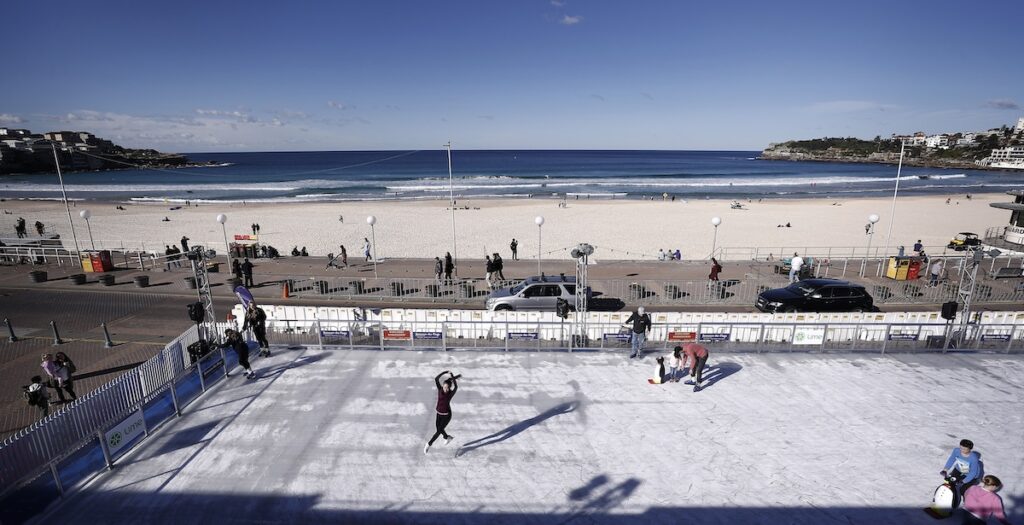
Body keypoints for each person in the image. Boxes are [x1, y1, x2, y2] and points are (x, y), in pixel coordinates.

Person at [424, 370, 459, 454]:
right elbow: (436, 379)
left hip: (447, 415)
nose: (445, 389)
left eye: (447, 387)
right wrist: (445, 372)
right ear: (443, 385)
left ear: (449, 387)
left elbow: (456, 387)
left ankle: (428, 444)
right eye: (444, 386)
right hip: (438, 413)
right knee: (439, 429)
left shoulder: (450, 393)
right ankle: (447, 437)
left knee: (439, 431)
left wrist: (452, 375)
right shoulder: (440, 389)